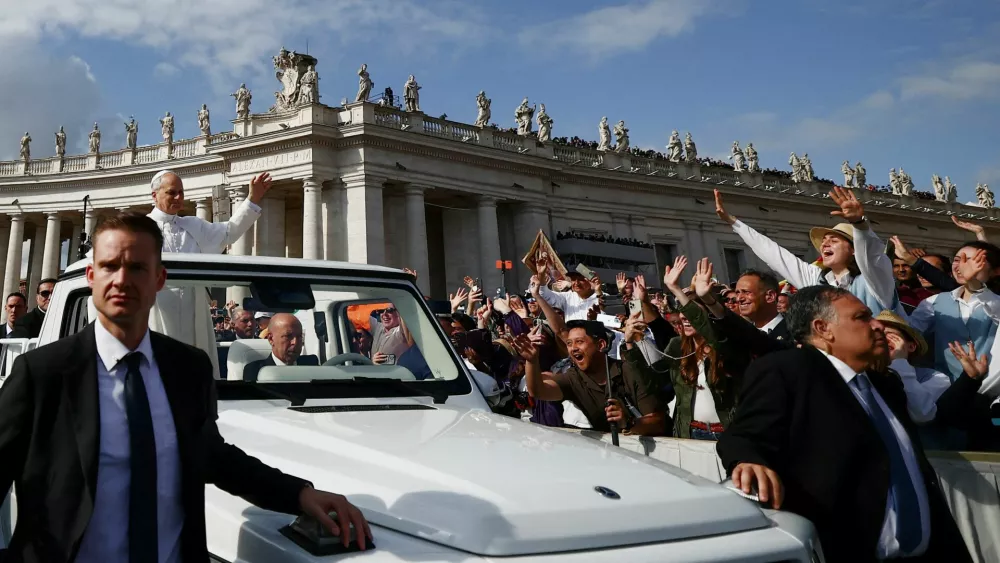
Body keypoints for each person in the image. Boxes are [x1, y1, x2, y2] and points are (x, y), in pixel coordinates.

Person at [0, 212, 370, 562]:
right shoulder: (41, 373)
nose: (122, 279)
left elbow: (214, 457)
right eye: (111, 266)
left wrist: (300, 494)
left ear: (160, 279)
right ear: (91, 276)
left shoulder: (189, 368)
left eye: (137, 267)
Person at [717, 285, 969, 562]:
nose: (878, 326)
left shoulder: (886, 384)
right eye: (862, 318)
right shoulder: (788, 369)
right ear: (823, 328)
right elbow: (743, 436)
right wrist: (747, 460)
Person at [144, 169, 274, 377]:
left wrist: (252, 198)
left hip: (193, 311)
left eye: (181, 192)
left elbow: (229, 232)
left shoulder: (193, 226)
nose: (178, 198)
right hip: (156, 312)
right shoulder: (138, 228)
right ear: (154, 195)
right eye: (172, 193)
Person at [715, 187, 904, 316]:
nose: (825, 244)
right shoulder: (816, 280)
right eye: (824, 241)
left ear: (854, 250)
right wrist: (734, 223)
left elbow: (870, 254)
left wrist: (859, 224)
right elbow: (774, 254)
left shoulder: (874, 280)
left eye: (834, 240)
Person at [514, 317, 667, 436]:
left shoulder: (628, 370)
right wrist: (532, 361)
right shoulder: (573, 377)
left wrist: (629, 422)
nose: (573, 348)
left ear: (601, 345)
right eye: (569, 343)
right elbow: (539, 391)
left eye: (579, 342)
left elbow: (660, 422)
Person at [243, 313, 320, 382]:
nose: (295, 342)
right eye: (288, 336)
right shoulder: (255, 372)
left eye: (299, 337)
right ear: (271, 339)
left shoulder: (311, 364)